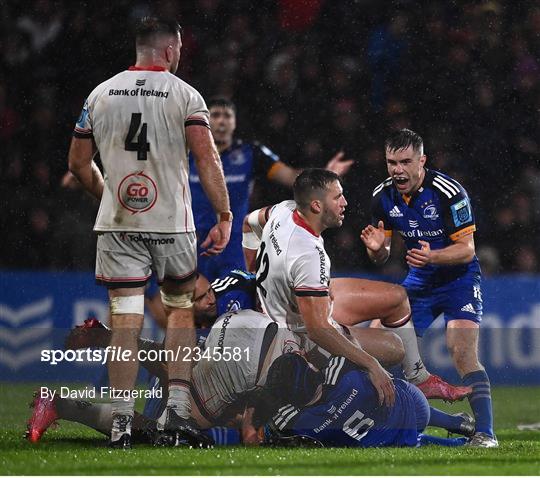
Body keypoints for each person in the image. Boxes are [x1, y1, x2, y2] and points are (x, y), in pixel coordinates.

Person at [67, 17, 232, 448]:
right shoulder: (185, 95)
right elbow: (207, 158)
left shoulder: (99, 94)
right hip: (171, 223)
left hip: (119, 223)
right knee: (180, 311)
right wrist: (224, 214)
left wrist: (107, 194)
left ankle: (121, 420)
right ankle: (176, 416)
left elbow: (78, 164)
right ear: (170, 50)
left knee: (124, 320)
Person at [361, 128, 497, 447]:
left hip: (458, 279)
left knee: (461, 350)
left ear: (422, 161)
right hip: (420, 281)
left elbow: (467, 249)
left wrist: (432, 256)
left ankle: (486, 433)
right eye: (391, 162)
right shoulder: (382, 197)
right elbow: (381, 256)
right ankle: (451, 422)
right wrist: (377, 249)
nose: (397, 170)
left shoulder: (449, 192)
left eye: (405, 162)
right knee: (381, 350)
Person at [189, 98, 354, 281]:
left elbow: (291, 177)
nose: (221, 121)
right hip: (194, 242)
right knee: (187, 303)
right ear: (206, 120)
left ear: (235, 122)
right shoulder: (188, 153)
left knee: (234, 305)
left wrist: (325, 173)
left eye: (227, 116)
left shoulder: (251, 152)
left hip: (234, 246)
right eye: (216, 115)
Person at [252, 353, 475, 448]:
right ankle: (456, 423)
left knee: (382, 431)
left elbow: (272, 431)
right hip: (414, 405)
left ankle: (455, 442)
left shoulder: (299, 422)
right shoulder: (340, 370)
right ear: (308, 370)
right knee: (393, 394)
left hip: (382, 437)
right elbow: (355, 349)